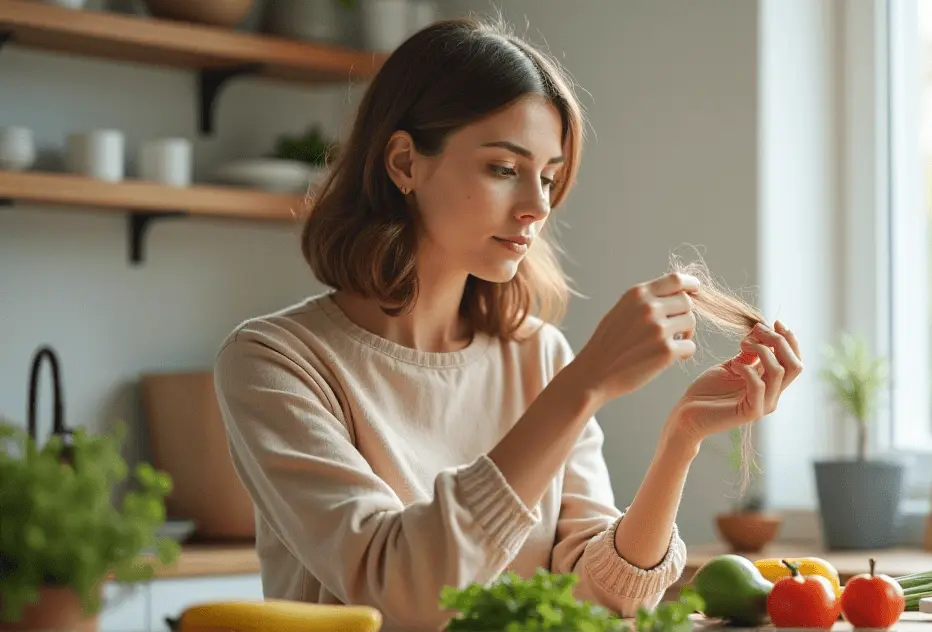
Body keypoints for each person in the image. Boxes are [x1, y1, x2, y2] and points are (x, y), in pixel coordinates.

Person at [212, 15, 803, 632]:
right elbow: (403, 597)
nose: (537, 206)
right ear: (405, 162)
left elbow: (608, 598)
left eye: (548, 177)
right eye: (503, 168)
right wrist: (584, 386)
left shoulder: (539, 355)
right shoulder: (274, 363)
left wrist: (680, 439)